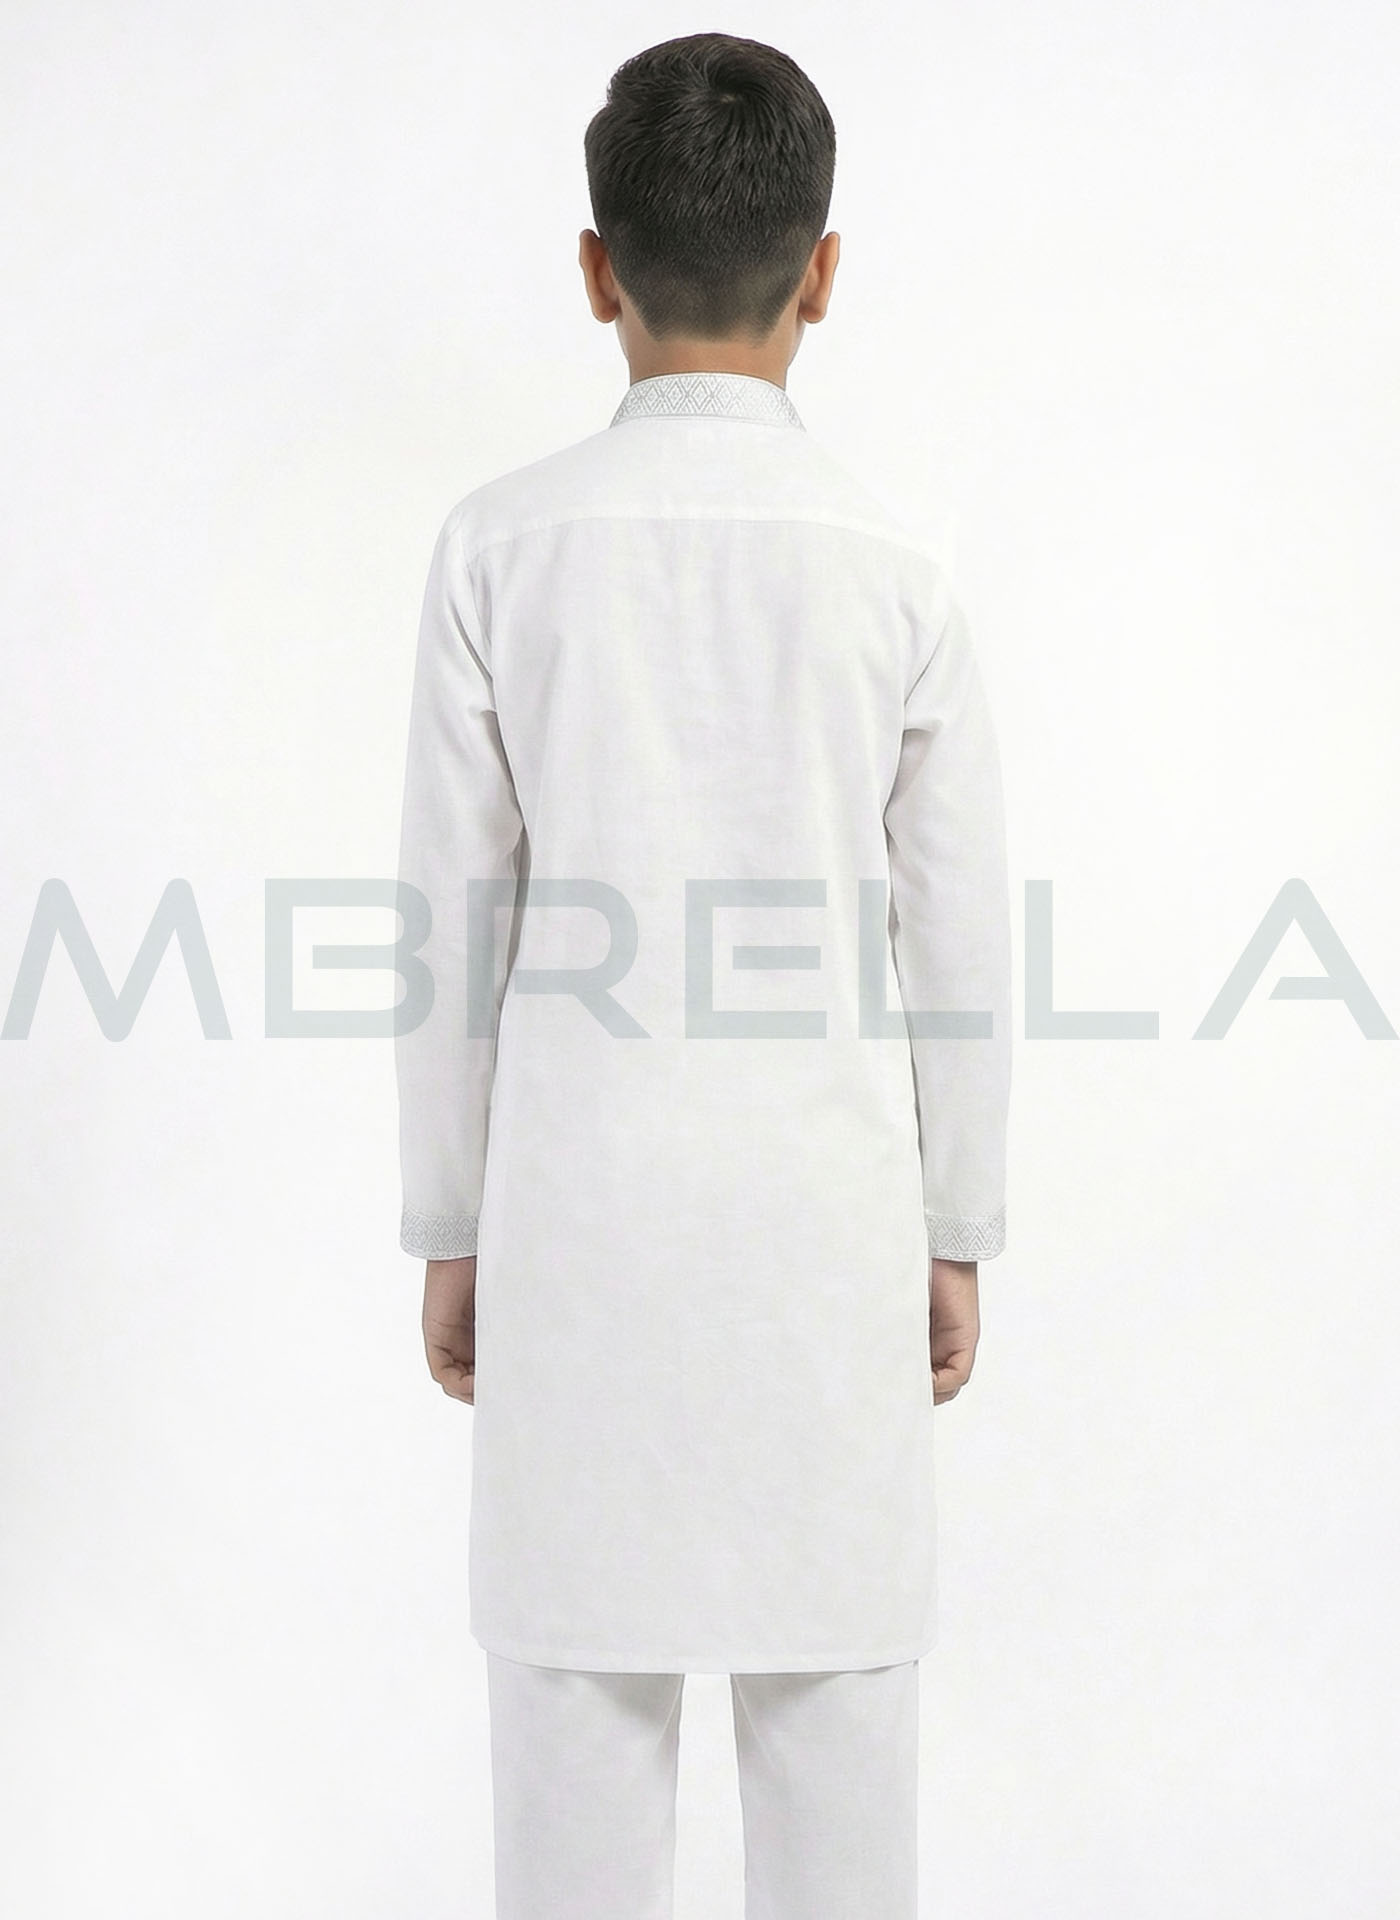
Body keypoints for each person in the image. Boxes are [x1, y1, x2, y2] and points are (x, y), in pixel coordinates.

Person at [394, 30, 1012, 1919]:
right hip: (828, 1236)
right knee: (845, 1797)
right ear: (824, 272)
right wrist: (959, 1225)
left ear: (598, 271)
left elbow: (450, 928)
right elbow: (958, 933)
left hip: (579, 1233)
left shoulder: (500, 548)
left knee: (569, 1797)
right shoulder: (899, 563)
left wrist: (450, 1223)